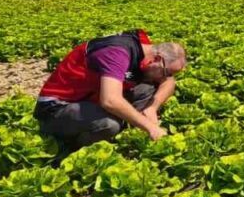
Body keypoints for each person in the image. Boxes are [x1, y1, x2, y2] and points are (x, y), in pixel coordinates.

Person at [33, 29, 186, 149]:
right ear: (157, 59)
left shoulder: (145, 49)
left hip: (91, 98)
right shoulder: (116, 53)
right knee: (109, 124)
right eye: (167, 72)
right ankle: (73, 149)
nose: (167, 76)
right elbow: (110, 101)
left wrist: (152, 108)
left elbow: (169, 82)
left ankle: (130, 128)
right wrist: (151, 128)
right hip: (57, 108)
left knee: (148, 90)